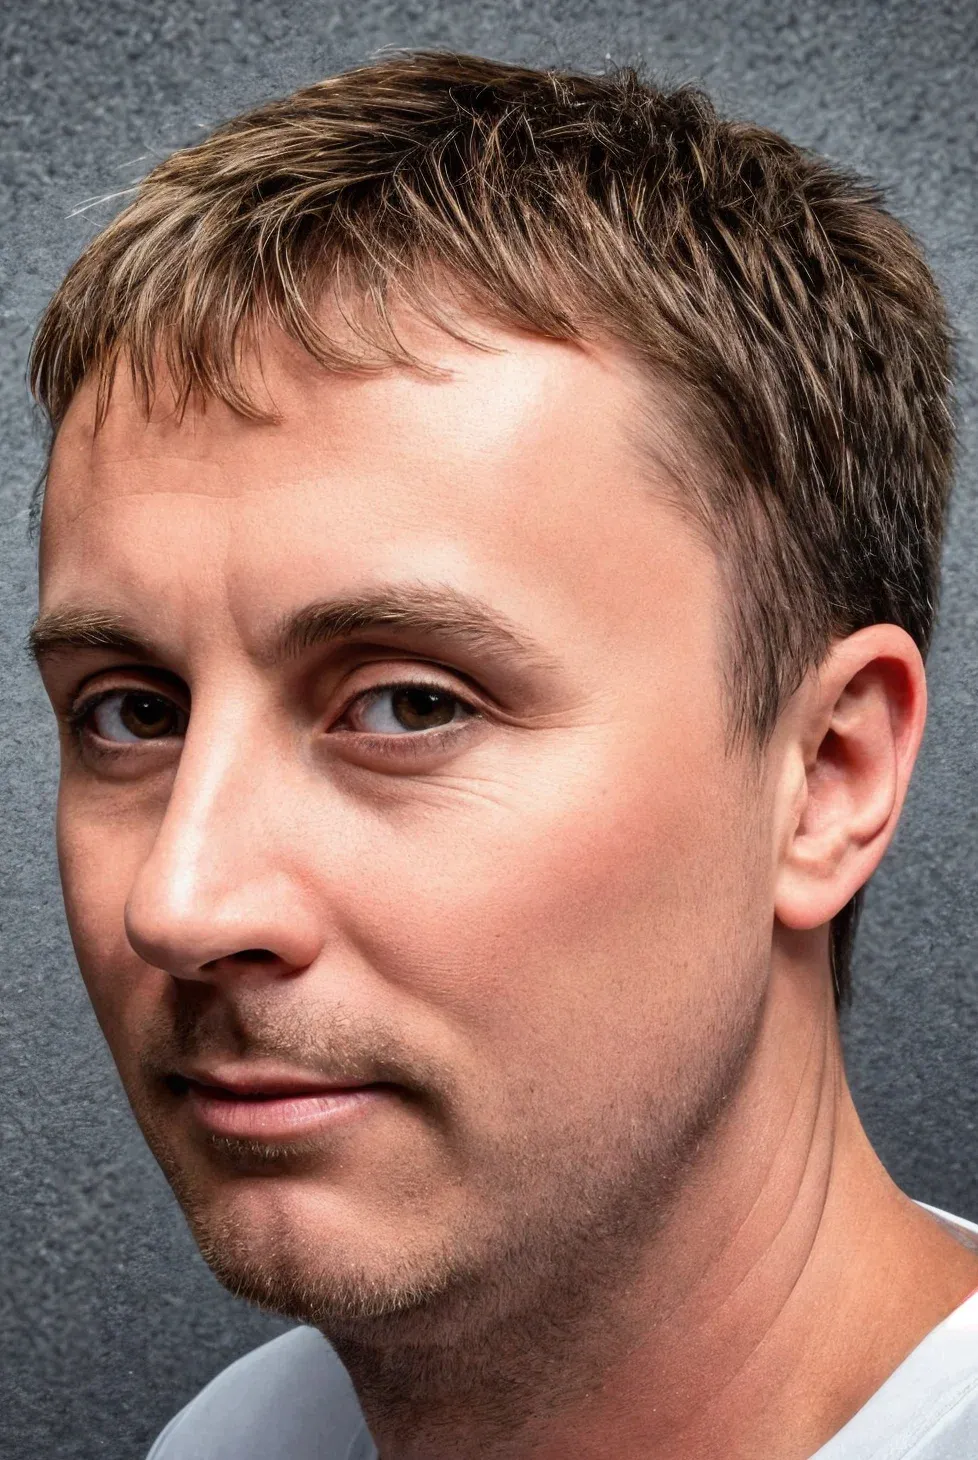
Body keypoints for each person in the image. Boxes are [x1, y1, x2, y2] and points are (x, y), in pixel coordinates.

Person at [25, 48, 978, 1460]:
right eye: (133, 713)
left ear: (825, 779)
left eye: (410, 706)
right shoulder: (233, 1440)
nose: (180, 904)